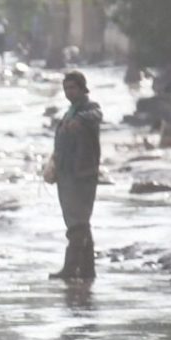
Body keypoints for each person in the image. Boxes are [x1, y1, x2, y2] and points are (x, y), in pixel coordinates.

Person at [48, 71, 103, 282]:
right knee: (80, 223)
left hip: (82, 175)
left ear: (82, 89)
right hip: (66, 175)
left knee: (77, 224)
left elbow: (96, 115)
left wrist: (80, 121)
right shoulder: (68, 113)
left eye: (73, 88)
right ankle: (88, 270)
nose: (69, 92)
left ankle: (70, 268)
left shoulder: (89, 109)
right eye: (66, 88)